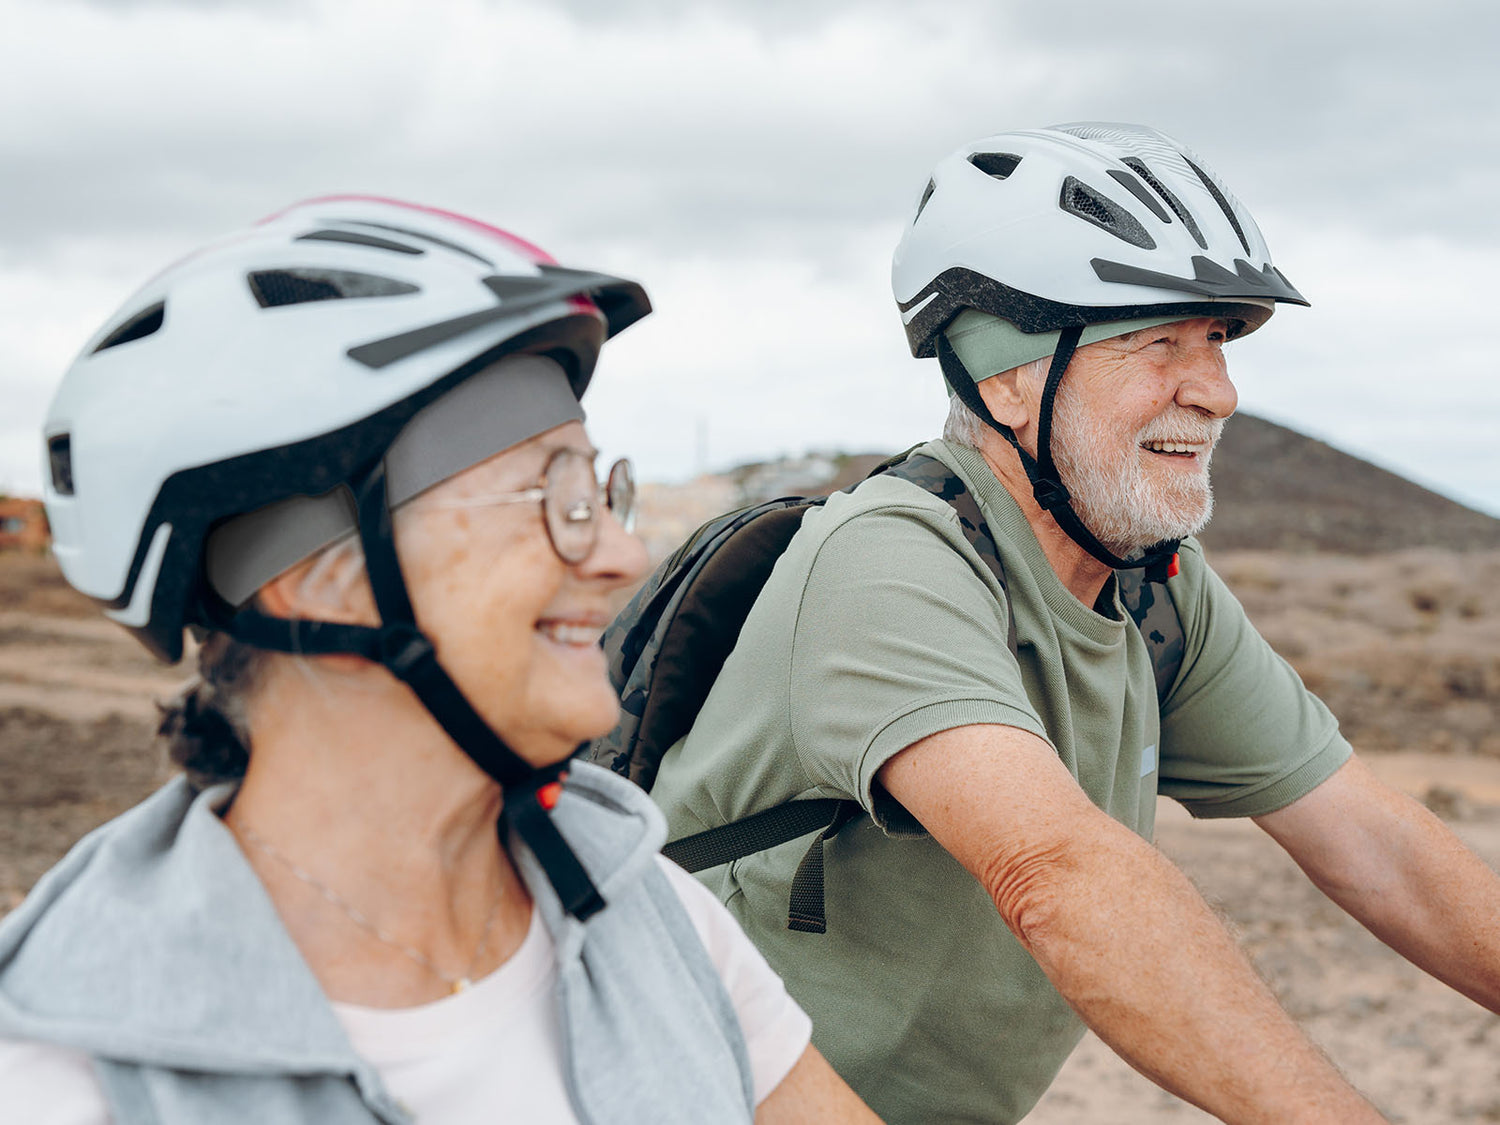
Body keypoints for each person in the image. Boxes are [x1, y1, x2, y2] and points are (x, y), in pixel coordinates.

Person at [644, 124, 1500, 1124]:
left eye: (1217, 342)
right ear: (1008, 376)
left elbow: (1374, 846)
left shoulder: (1149, 587)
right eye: (1158, 342)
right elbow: (1059, 878)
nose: (1219, 393)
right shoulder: (890, 558)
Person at [0, 196, 880, 1124]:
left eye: (601, 489)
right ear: (321, 577)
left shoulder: (644, 909)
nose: (621, 556)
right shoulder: (73, 1076)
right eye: (558, 499)